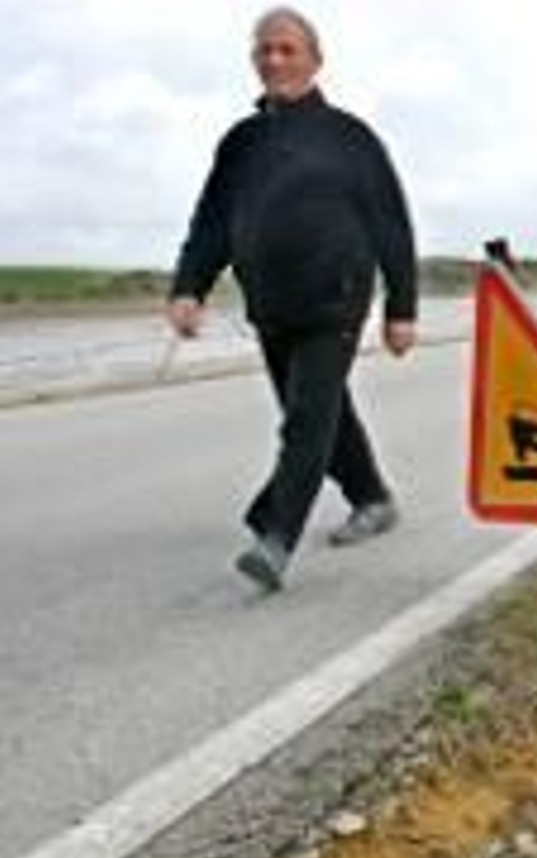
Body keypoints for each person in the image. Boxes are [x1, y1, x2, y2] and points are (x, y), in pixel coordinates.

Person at [168, 6, 417, 593]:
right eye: (264, 50)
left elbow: (390, 222)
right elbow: (212, 221)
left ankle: (275, 536)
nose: (274, 60)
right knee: (320, 413)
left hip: (337, 298)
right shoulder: (242, 142)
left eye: (287, 49)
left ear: (314, 59)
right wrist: (188, 287)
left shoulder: (350, 138)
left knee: (307, 420)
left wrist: (402, 308)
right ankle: (373, 498)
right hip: (272, 305)